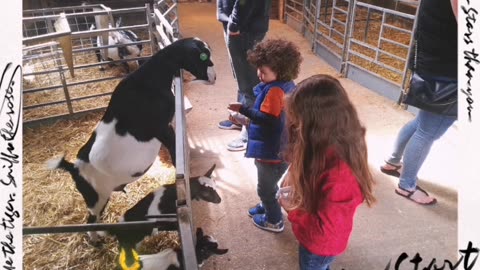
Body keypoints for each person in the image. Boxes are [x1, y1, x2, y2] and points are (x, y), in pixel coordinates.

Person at [278, 74, 376, 270]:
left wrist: (293, 211)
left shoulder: (341, 175)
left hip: (320, 245)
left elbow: (327, 228)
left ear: (317, 124)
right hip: (317, 238)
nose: (296, 126)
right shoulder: (330, 141)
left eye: (299, 121)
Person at [380, 0, 457, 205]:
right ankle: (406, 185)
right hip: (446, 70)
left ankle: (393, 162)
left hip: (432, 61)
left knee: (422, 123)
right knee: (428, 131)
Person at [228, 39, 303, 232]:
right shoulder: (286, 85)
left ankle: (274, 219)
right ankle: (268, 203)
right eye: (259, 69)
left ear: (280, 71)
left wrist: (243, 111)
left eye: (264, 72)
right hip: (282, 148)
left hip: (271, 152)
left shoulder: (275, 91)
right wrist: (244, 120)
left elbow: (267, 120)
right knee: (271, 183)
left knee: (265, 188)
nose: (259, 75)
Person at [216, 0, 273, 151]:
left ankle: (251, 131)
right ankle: (239, 117)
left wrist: (235, 23)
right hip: (239, 22)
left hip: (244, 26)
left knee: (249, 81)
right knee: (242, 77)